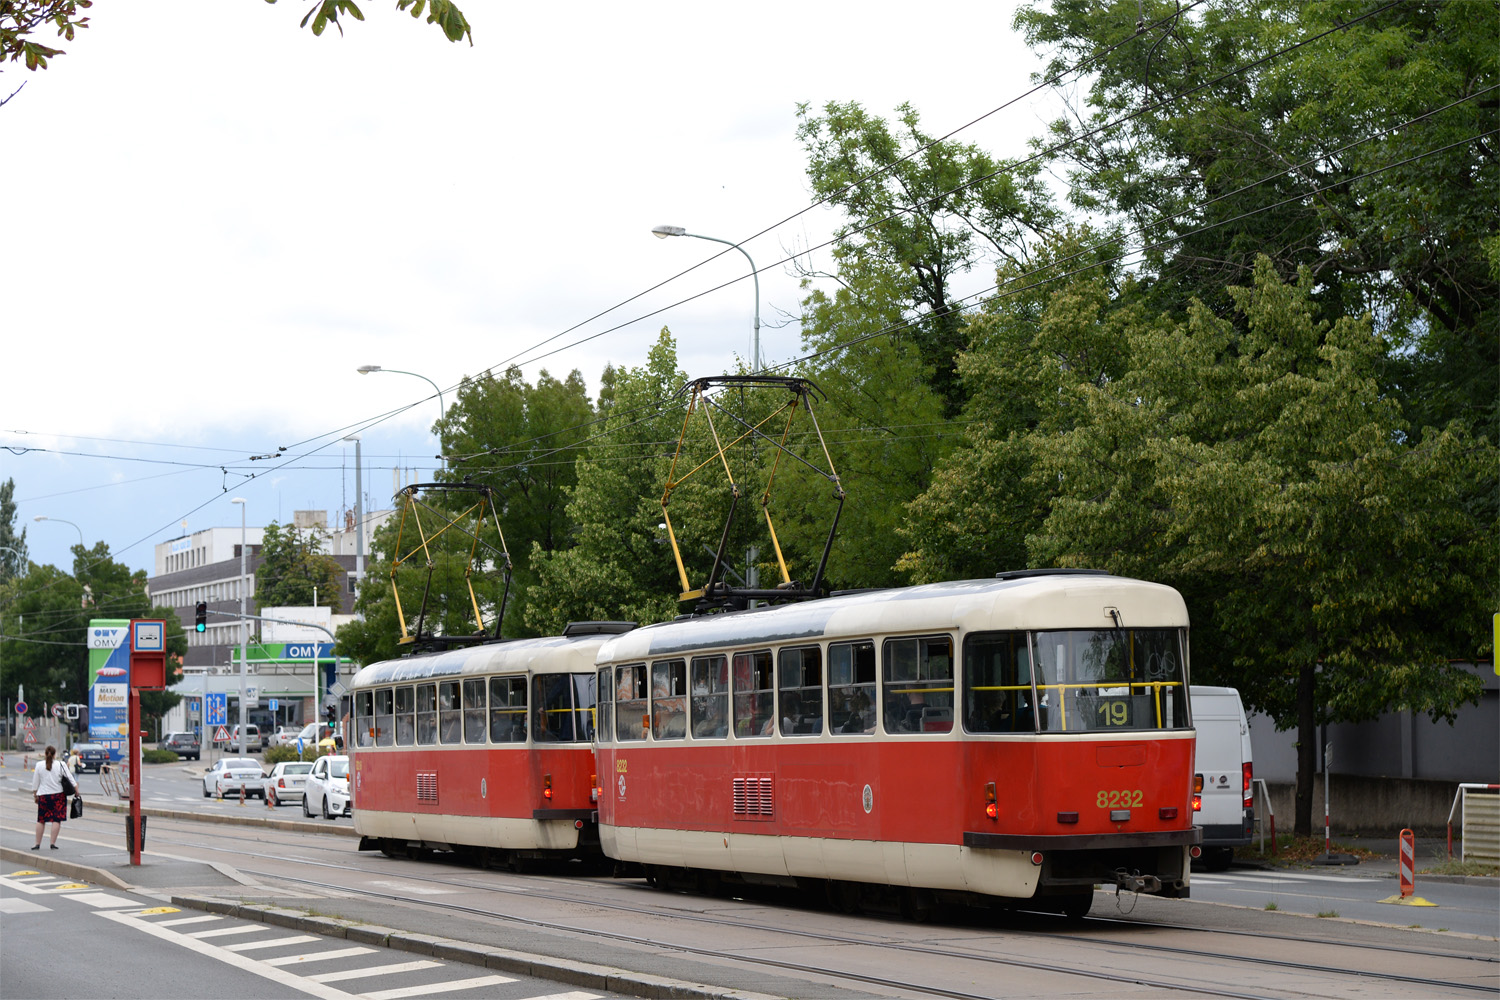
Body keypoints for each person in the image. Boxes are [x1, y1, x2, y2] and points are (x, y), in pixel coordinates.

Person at [31, 745, 77, 850]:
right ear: (55, 754)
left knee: (41, 820)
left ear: (45, 754)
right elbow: (70, 779)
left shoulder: (39, 765)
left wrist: (35, 796)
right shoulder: (61, 764)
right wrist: (76, 791)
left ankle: (37, 843)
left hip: (43, 795)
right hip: (58, 796)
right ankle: (52, 843)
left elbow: (35, 783)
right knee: (56, 819)